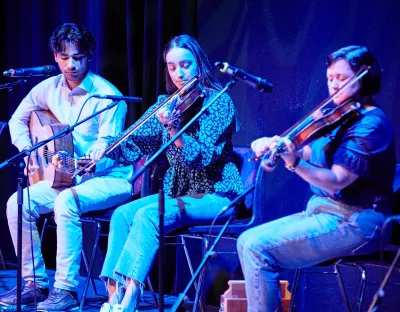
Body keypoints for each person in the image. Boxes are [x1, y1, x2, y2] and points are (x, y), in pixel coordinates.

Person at [237, 45, 396, 312]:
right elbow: (311, 149)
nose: (333, 86)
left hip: (358, 220)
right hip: (323, 211)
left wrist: (294, 162)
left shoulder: (371, 124)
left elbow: (336, 180)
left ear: (364, 76)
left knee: (257, 248)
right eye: (330, 78)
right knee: (246, 240)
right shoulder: (340, 116)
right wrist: (276, 144)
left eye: (342, 79)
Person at [94, 34, 244, 312]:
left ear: (199, 64)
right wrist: (100, 153)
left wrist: (174, 130)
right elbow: (133, 141)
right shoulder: (168, 104)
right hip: (181, 193)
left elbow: (202, 160)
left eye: (185, 65)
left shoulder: (219, 103)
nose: (178, 73)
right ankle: (113, 295)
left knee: (149, 214)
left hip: (217, 194)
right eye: (172, 67)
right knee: (122, 214)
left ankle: (131, 300)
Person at [0, 23, 134, 311]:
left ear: (89, 56)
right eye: (65, 57)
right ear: (55, 57)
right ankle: (34, 283)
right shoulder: (48, 88)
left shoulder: (106, 96)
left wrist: (95, 158)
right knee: (17, 203)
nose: (71, 64)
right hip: (66, 177)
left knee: (65, 201)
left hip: (109, 178)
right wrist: (29, 152)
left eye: (78, 57)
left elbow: (107, 149)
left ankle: (66, 289)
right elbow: (16, 121)